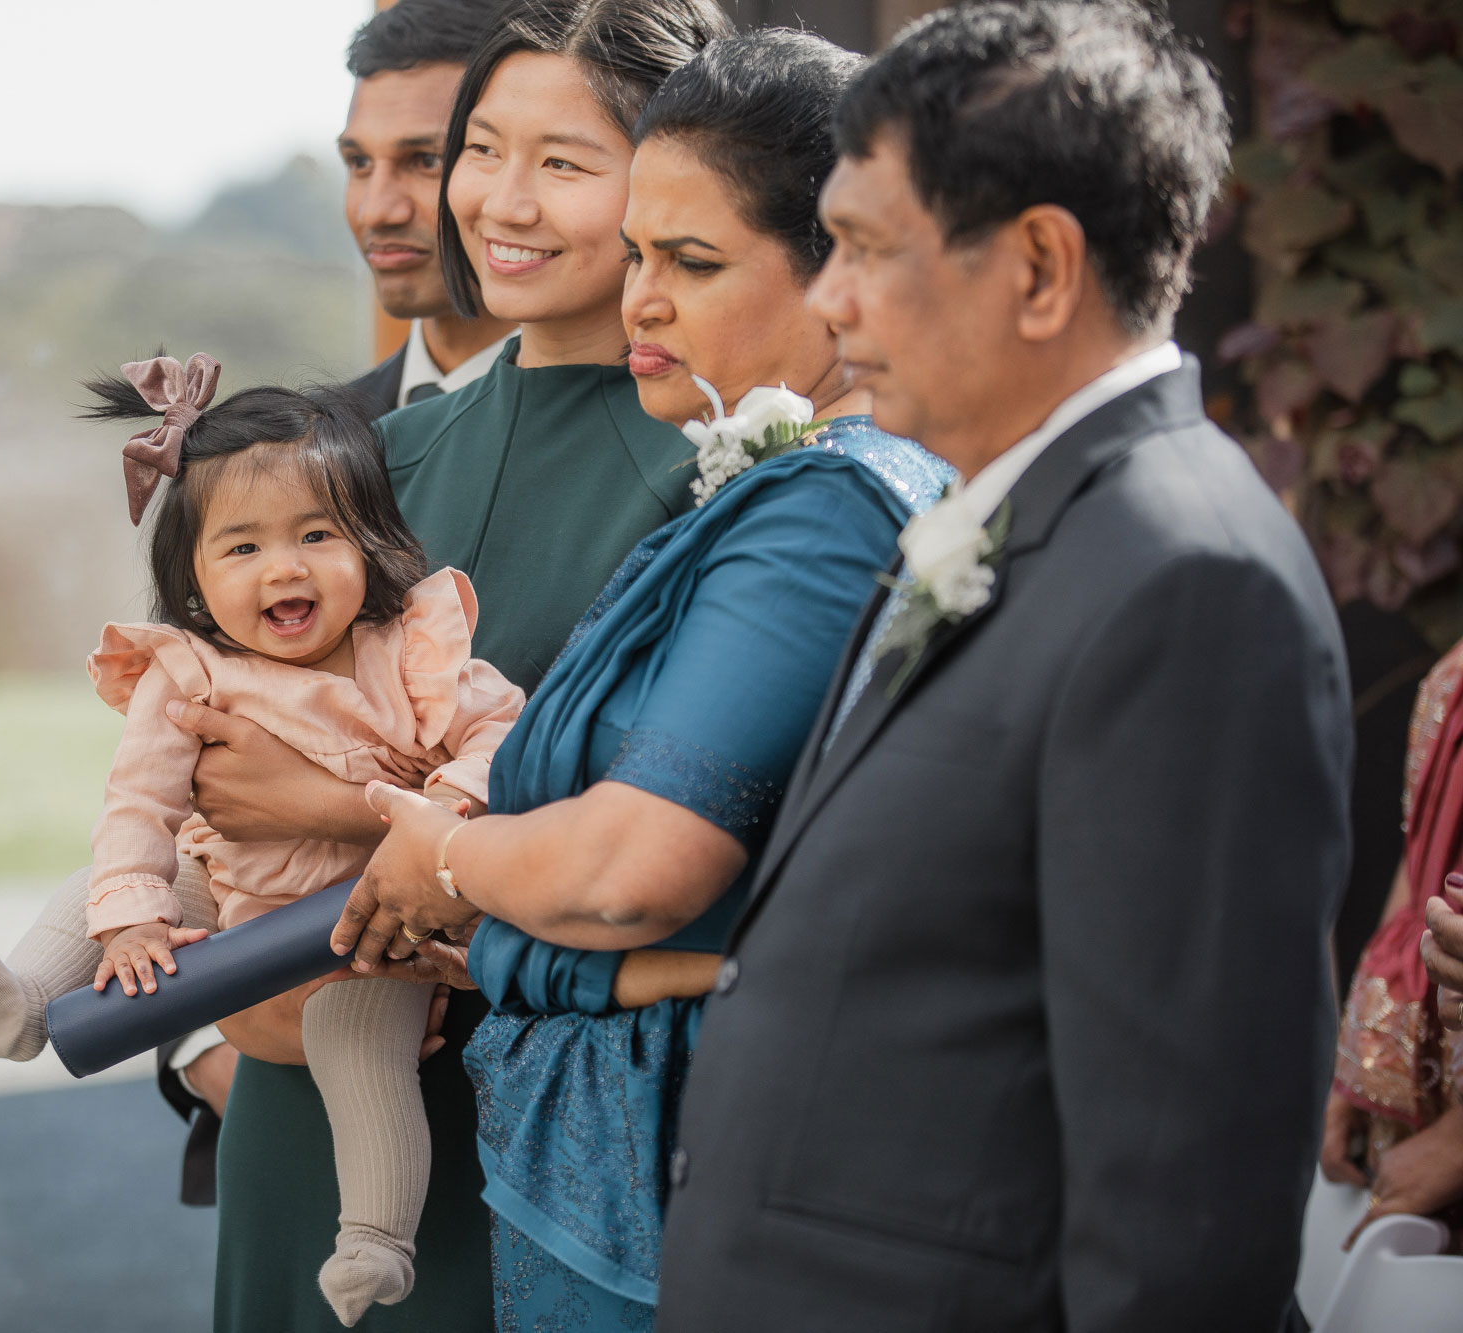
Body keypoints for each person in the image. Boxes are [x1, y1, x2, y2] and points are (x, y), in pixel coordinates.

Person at [650, 4, 1353, 1329]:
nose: (829, 296)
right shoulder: (1012, 517)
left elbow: (1182, 1199)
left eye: (861, 247)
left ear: (1038, 266)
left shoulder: (1188, 585)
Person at [325, 31, 951, 1331]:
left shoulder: (825, 511)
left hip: (689, 1167)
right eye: (644, 256)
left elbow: (645, 874)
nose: (640, 302)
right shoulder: (780, 485)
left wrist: (444, 862)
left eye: (693, 262)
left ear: (841, 274)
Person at [176, 3, 730, 1328]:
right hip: (303, 1117)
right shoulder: (374, 462)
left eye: (562, 160)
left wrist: (334, 811)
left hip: (546, 1141)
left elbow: (663, 846)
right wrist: (222, 1015)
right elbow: (203, 766)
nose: (499, 200)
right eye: (482, 150)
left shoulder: (721, 480)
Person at [0, 355, 527, 1325]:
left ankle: (375, 1236)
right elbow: (138, 809)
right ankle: (24, 997)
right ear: (195, 580)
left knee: (358, 1037)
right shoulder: (189, 671)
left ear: (370, 542)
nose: (283, 567)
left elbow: (504, 731)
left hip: (361, 916)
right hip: (229, 876)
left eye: (315, 535)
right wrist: (131, 920)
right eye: (241, 548)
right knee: (100, 883)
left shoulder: (407, 647)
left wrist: (446, 805)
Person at [1325, 636, 1463, 1239]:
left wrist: (1458, 1146)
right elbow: (1419, 876)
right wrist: (1355, 1064)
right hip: (1407, 1099)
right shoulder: (1453, 673)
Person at [339, 0, 516, 419]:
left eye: (426, 160)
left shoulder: (663, 434)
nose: (375, 212)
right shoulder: (313, 444)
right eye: (359, 163)